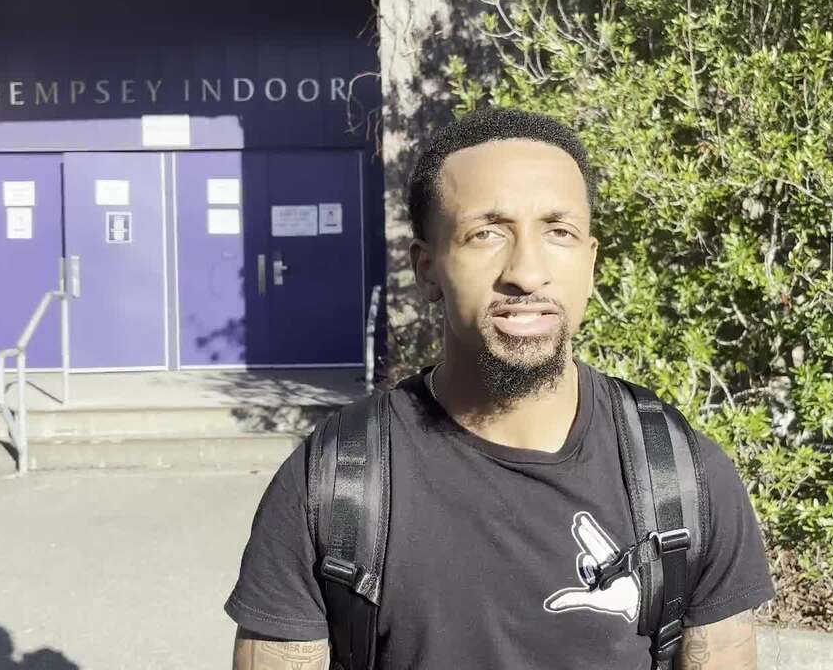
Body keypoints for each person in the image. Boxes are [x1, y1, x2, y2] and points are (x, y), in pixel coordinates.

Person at [225, 108, 775, 669]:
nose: (527, 273)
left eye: (558, 232)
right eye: (485, 233)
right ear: (428, 269)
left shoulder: (682, 477)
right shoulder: (334, 483)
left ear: (590, 264)